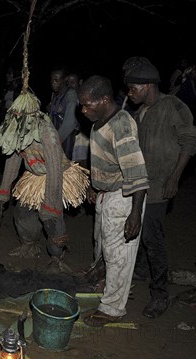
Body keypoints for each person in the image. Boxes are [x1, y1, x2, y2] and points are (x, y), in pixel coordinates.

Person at [125, 59, 196, 318]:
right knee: (136, 231)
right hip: (141, 185)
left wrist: (175, 178)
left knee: (152, 237)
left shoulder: (172, 106)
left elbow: (189, 142)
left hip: (160, 186)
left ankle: (160, 294)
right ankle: (140, 270)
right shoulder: (140, 113)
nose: (130, 92)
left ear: (148, 85)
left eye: (134, 87)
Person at [77, 75, 149, 327]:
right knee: (105, 246)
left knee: (119, 254)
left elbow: (137, 172)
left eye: (87, 105)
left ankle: (112, 308)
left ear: (105, 99)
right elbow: (103, 160)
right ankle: (104, 282)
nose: (83, 110)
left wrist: (135, 213)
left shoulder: (121, 125)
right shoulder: (100, 122)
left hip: (126, 196)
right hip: (108, 194)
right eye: (82, 105)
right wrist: (94, 186)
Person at [0, 90, 70, 273]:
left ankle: (56, 257)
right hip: (33, 175)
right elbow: (13, 158)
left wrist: (50, 204)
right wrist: (5, 189)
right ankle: (29, 244)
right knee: (22, 214)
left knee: (52, 219)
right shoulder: (17, 129)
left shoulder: (47, 132)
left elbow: (54, 168)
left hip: (54, 177)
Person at [46, 67, 80, 160]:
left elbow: (70, 123)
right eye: (52, 80)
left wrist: (56, 141)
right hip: (54, 136)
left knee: (64, 166)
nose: (53, 82)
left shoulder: (71, 95)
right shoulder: (55, 94)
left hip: (65, 138)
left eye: (56, 80)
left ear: (65, 80)